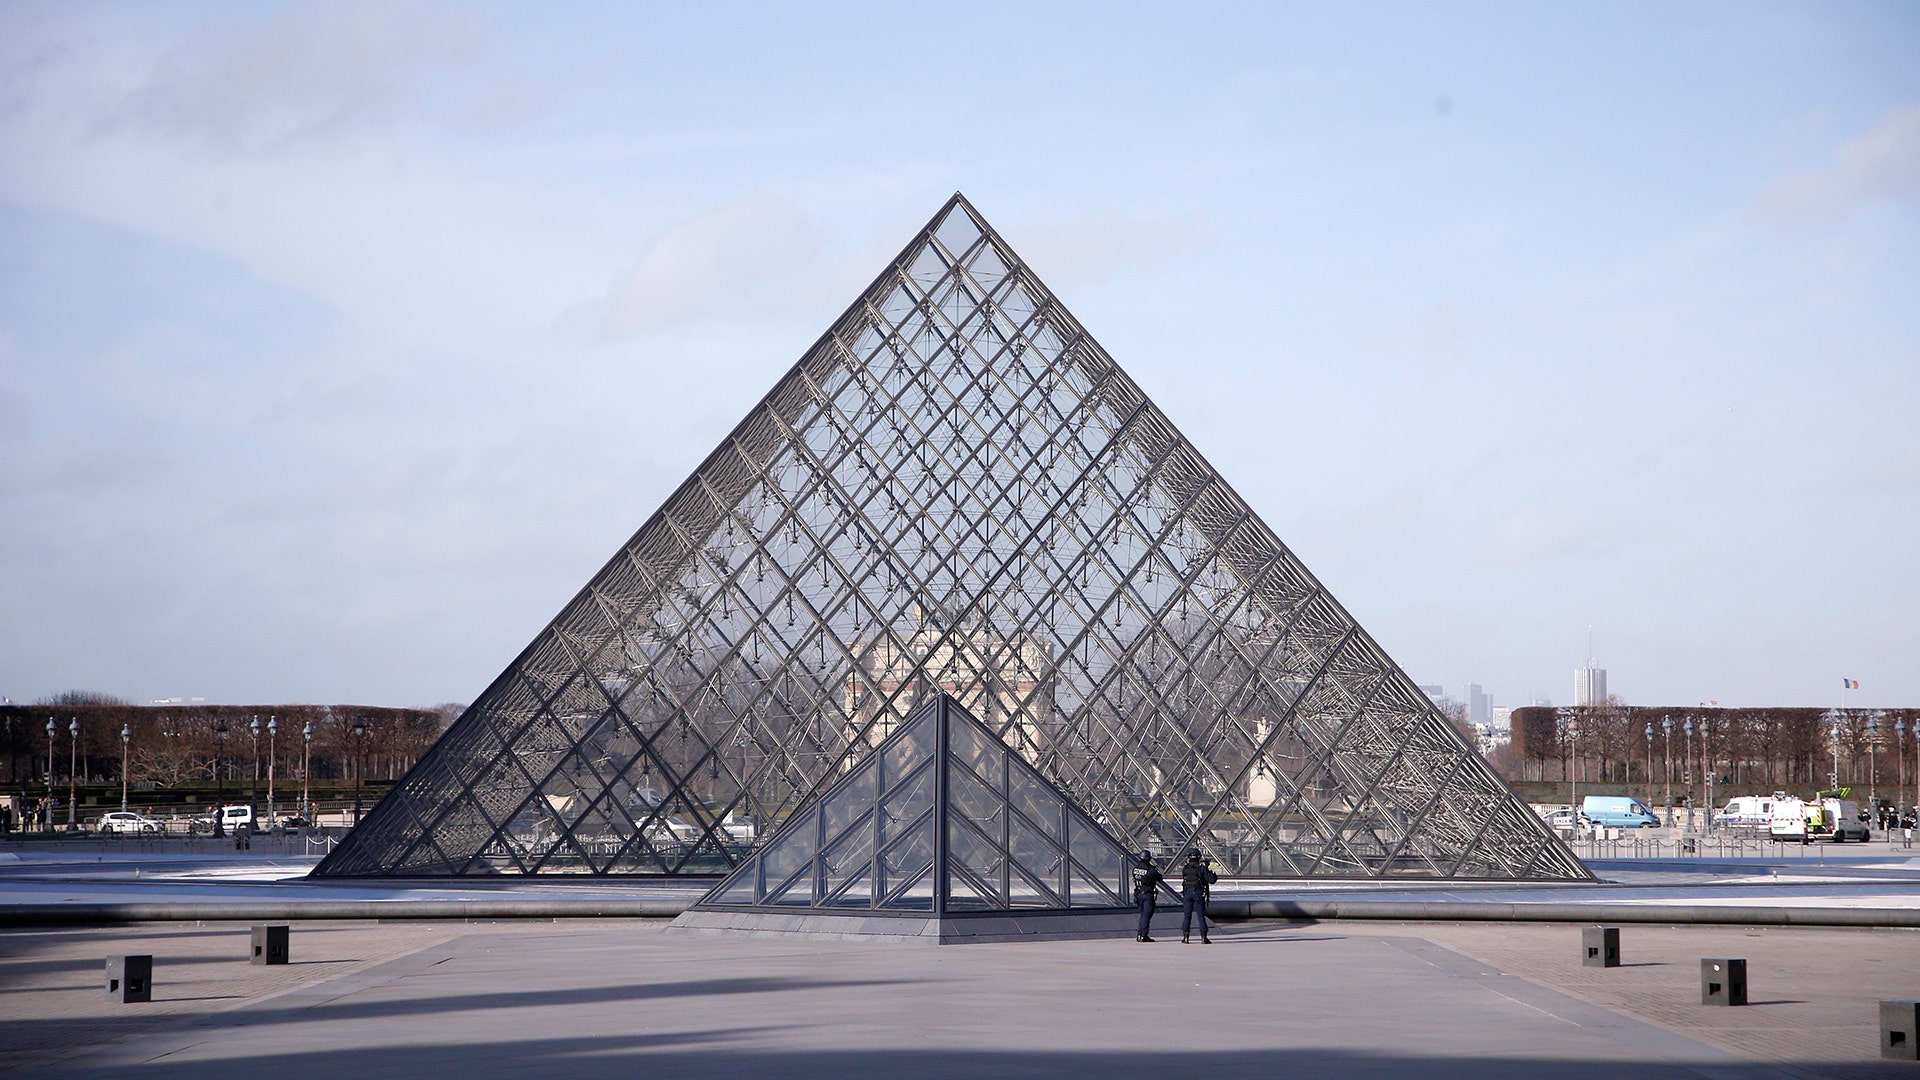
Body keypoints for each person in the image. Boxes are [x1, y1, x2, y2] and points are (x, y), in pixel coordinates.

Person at [1179, 848, 1217, 944]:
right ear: (1199, 857)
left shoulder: (1185, 868)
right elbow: (1211, 880)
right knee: (1200, 916)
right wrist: (1209, 870)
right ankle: (1204, 937)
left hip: (1187, 893)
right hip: (1198, 893)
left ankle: (1185, 937)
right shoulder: (1201, 868)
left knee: (1187, 916)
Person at [1131, 851, 1163, 942]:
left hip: (1138, 894)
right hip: (1147, 895)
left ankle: (1139, 934)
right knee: (1146, 915)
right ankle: (1143, 935)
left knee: (1142, 915)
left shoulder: (1135, 868)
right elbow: (1159, 878)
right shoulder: (1150, 869)